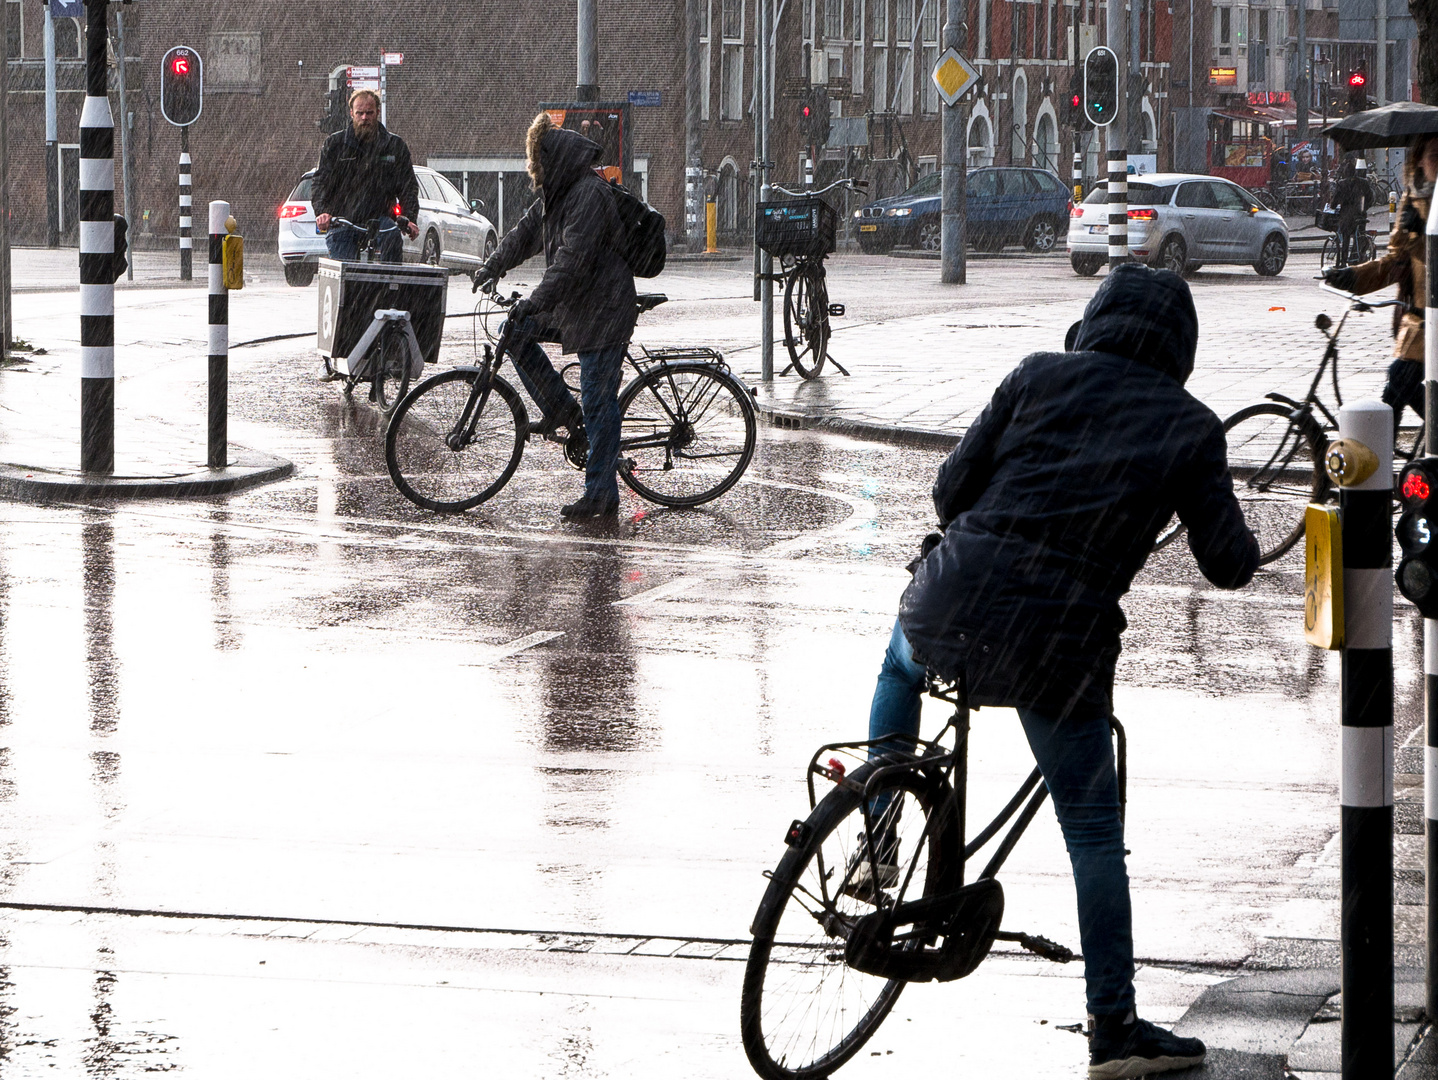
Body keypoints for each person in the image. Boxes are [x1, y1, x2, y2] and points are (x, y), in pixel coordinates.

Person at [863, 264, 1259, 1079]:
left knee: (899, 662)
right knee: (1091, 837)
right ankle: (1113, 1029)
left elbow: (949, 490)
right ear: (1179, 345)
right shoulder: (1190, 428)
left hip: (954, 599)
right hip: (1059, 648)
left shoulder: (1038, 375)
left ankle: (879, 821)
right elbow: (1227, 565)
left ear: (1095, 318)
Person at [470, 112, 637, 521]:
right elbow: (524, 234)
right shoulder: (558, 193)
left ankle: (601, 494)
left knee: (599, 401)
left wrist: (536, 300)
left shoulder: (588, 195)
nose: (536, 173)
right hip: (579, 307)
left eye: (538, 165)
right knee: (515, 330)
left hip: (604, 310)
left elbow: (571, 263)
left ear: (554, 160)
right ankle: (562, 409)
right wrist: (493, 265)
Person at [1323, 132, 1438, 430]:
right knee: (1400, 391)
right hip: (1420, 322)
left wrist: (1423, 237)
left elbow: (1429, 255)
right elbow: (1395, 263)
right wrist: (1352, 277)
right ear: (1420, 161)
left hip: (1433, 324)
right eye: (1434, 156)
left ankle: (1379, 467)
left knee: (1395, 393)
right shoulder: (1414, 198)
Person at [312, 89, 420, 263]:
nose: (364, 118)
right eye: (359, 113)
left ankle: (390, 287)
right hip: (344, 218)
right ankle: (347, 288)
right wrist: (322, 211)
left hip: (382, 218)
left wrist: (409, 217)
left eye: (369, 113)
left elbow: (408, 185)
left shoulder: (395, 146)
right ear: (351, 113)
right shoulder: (335, 145)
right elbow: (320, 182)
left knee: (392, 241)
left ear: (377, 112)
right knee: (344, 267)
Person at [1331, 158, 1370, 266]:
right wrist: (1364, 208)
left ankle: (1343, 262)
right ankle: (1358, 255)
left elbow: (1335, 199)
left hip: (1347, 216)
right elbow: (1370, 197)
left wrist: (1333, 206)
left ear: (1345, 173)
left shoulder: (1342, 184)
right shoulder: (1363, 182)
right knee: (1360, 234)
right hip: (1361, 215)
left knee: (1346, 237)